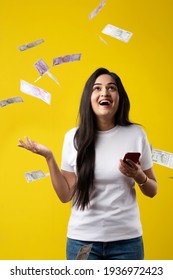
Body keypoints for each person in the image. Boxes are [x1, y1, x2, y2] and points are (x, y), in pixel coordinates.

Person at [18, 67, 158, 260]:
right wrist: (49, 157)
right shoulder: (73, 137)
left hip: (127, 242)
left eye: (111, 88)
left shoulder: (136, 134)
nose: (105, 93)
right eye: (97, 88)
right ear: (89, 97)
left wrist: (138, 175)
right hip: (82, 242)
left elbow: (153, 190)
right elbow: (65, 195)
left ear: (119, 97)